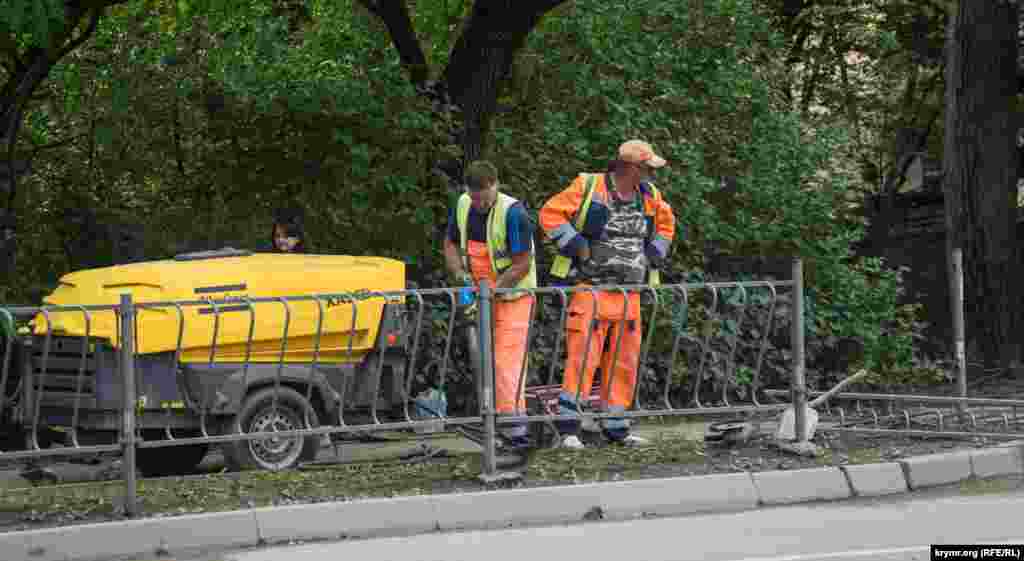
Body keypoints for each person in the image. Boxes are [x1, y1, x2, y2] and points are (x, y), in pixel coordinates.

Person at [539, 139, 676, 449]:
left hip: (630, 294)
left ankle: (617, 428)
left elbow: (667, 224)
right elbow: (550, 214)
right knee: (582, 360)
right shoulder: (590, 186)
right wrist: (578, 246)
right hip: (590, 290)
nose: (653, 174)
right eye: (648, 168)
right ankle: (568, 430)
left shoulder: (650, 195)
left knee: (624, 362)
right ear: (630, 167)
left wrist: (656, 252)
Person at [443, 160, 537, 451]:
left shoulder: (514, 213)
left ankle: (515, 427)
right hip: (481, 293)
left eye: (485, 197)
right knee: (482, 359)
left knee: (506, 361)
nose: (480, 204)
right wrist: (460, 275)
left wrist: (494, 292)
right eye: (475, 198)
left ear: (495, 185)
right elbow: (449, 244)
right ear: (467, 192)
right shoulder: (463, 205)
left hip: (513, 296)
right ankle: (492, 419)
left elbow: (522, 264)